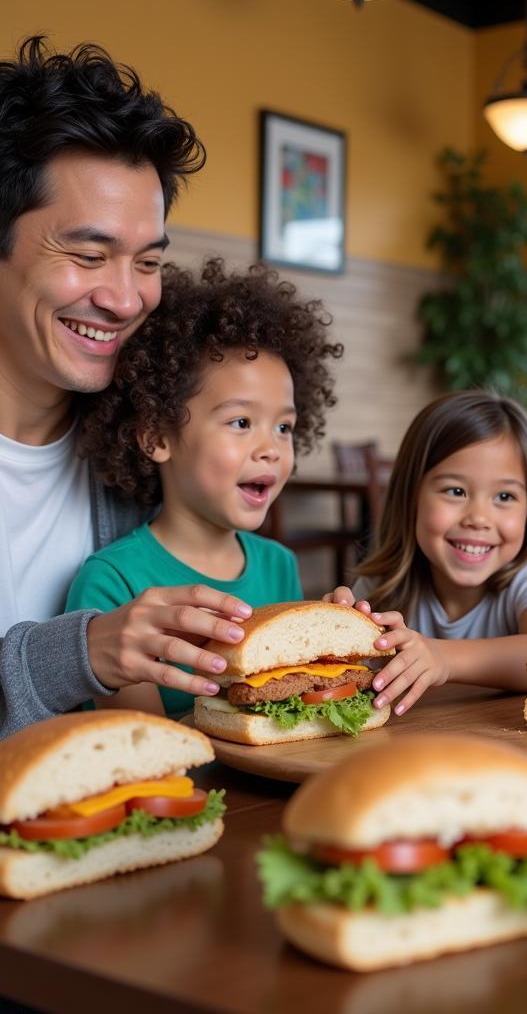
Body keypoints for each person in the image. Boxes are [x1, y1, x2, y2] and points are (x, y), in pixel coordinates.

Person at [0, 36, 254, 738]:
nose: (124, 299)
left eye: (147, 262)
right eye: (88, 256)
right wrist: (78, 654)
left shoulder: (146, 451)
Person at [65, 258, 344, 716]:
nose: (272, 449)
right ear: (156, 436)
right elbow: (147, 747)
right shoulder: (111, 583)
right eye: (241, 422)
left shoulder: (279, 566)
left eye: (284, 428)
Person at [331, 390, 527, 715]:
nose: (478, 519)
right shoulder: (380, 585)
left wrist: (443, 658)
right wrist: (336, 635)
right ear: (410, 499)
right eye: (456, 491)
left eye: (504, 496)